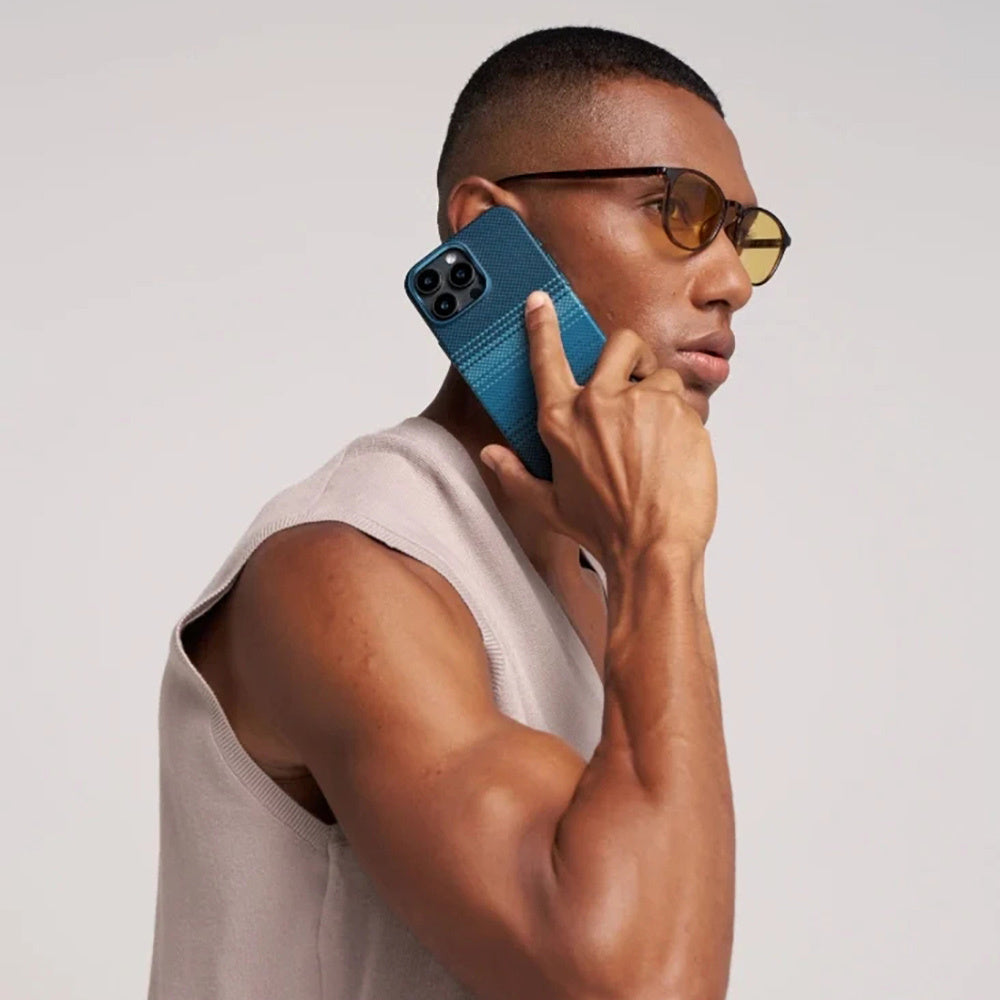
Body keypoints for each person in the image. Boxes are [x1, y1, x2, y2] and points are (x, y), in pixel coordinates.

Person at [147, 24, 791, 1000]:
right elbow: (636, 984)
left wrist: (644, 561)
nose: (733, 281)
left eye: (745, 234)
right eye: (680, 210)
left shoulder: (599, 576)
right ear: (490, 228)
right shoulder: (343, 570)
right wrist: (665, 554)